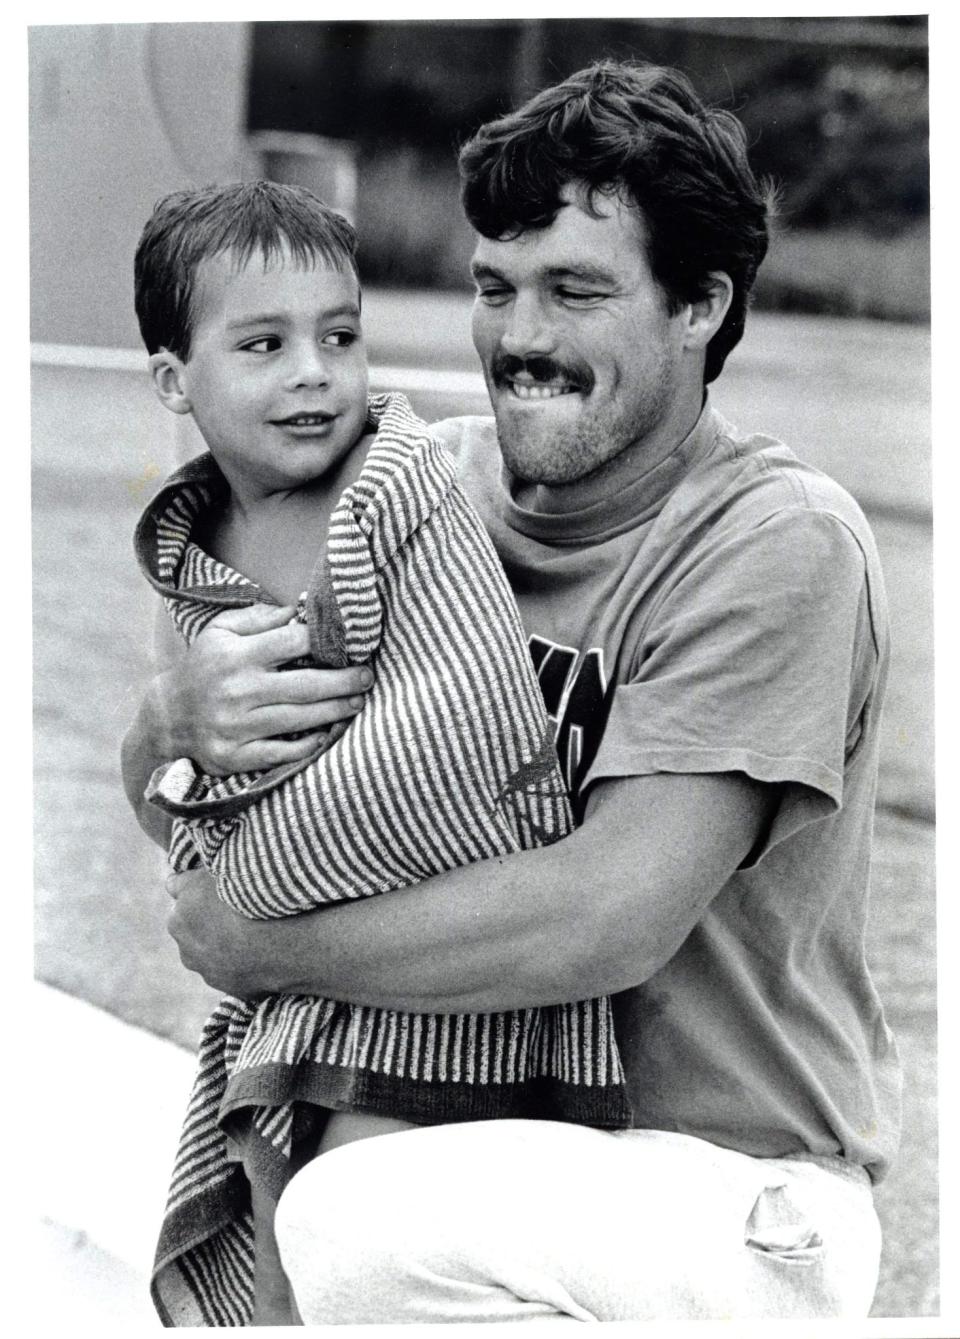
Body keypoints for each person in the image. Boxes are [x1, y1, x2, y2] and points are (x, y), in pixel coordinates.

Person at [122, 62, 902, 1321]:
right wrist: (174, 723)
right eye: (495, 288)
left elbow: (606, 915)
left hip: (729, 1191)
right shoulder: (416, 490)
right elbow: (207, 792)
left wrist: (259, 944)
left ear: (701, 304)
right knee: (299, 1181)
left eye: (577, 292)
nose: (520, 338)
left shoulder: (775, 541)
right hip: (487, 1124)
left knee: (356, 1216)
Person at [128, 179, 630, 1328]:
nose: (315, 371)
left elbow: (460, 712)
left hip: (431, 972)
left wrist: (248, 892)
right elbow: (183, 805)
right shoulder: (190, 558)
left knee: (353, 1205)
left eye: (339, 336)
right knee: (264, 1193)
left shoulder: (399, 485)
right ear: (174, 381)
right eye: (264, 344)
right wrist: (176, 741)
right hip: (289, 995)